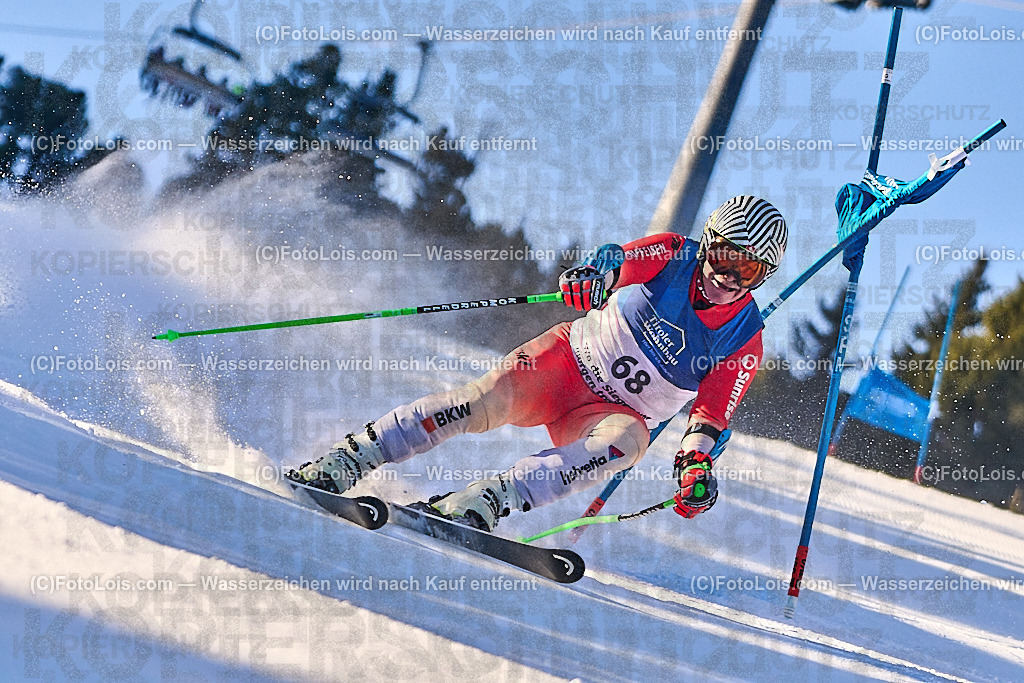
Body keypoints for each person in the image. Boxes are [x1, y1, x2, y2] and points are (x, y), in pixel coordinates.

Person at [292, 195, 787, 531]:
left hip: (610, 415)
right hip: (564, 365)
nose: (729, 277)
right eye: (724, 257)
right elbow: (618, 259)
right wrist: (594, 276)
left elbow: (710, 416)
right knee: (477, 405)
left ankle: (486, 501)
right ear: (708, 243)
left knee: (625, 445)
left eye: (748, 269)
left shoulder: (744, 339)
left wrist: (696, 464)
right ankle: (349, 459)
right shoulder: (676, 254)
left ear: (762, 277)